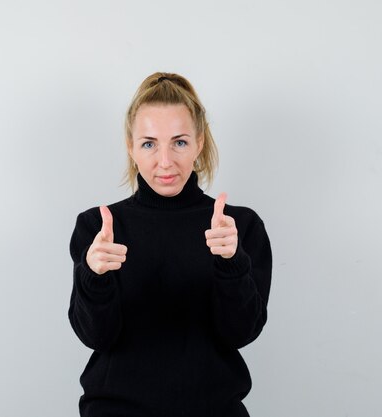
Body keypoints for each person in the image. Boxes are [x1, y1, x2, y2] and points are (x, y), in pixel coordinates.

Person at [68, 72, 272, 417]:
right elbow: (96, 337)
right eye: (149, 143)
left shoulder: (237, 227)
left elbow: (240, 333)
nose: (165, 161)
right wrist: (94, 276)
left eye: (179, 142)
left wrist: (231, 263)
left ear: (199, 143)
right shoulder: (98, 227)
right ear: (131, 148)